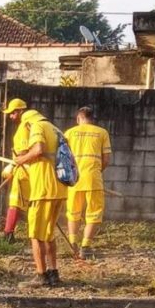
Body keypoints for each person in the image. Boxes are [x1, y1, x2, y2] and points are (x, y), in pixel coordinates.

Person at [13, 106, 68, 289]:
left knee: (36, 235)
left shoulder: (35, 126)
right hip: (59, 189)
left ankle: (41, 275)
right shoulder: (55, 129)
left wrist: (21, 159)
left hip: (43, 190)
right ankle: (54, 274)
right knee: (49, 234)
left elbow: (38, 149)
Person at [64, 106, 112, 259]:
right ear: (92, 118)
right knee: (94, 213)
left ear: (79, 118)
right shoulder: (102, 133)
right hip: (93, 179)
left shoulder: (69, 133)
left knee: (73, 212)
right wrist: (96, 171)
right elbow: (106, 160)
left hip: (74, 179)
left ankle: (72, 243)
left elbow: (63, 159)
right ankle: (85, 246)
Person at [1, 98, 35, 243]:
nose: (10, 116)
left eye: (13, 113)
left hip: (24, 171)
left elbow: (22, 153)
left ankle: (8, 234)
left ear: (20, 111)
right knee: (32, 203)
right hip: (33, 170)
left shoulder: (23, 128)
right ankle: (37, 234)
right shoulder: (34, 124)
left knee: (15, 202)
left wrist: (13, 165)